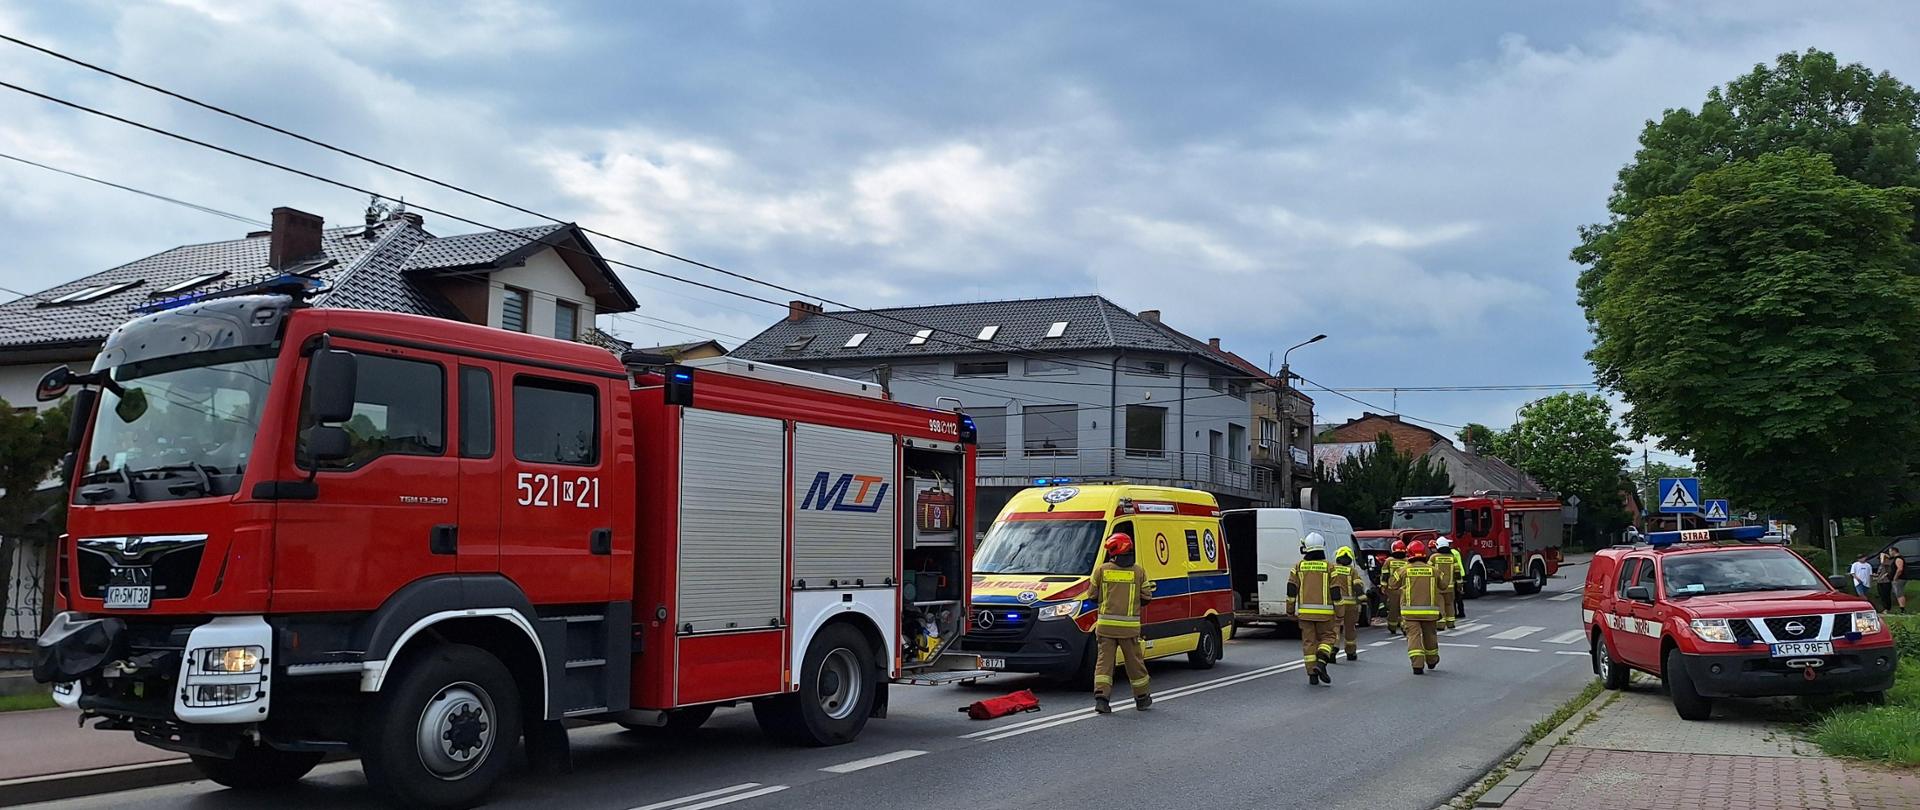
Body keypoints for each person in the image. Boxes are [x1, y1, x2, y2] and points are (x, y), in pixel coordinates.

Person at [1090, 532, 1155, 713]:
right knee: (1135, 664)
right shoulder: (1138, 572)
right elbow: (1147, 597)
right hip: (1129, 630)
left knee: (1104, 664)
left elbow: (1092, 596)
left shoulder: (1101, 570)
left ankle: (1102, 700)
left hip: (1106, 628)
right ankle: (1142, 699)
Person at [1287, 531, 1341, 686]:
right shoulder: (1330, 568)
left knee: (1309, 643)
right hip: (1326, 615)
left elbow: (1291, 590)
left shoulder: (1298, 567)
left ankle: (1312, 675)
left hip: (1305, 615)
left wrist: (1290, 610)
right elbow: (1336, 593)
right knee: (1328, 638)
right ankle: (1322, 662)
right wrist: (1340, 613)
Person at [1390, 540, 1446, 674]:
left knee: (1413, 637)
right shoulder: (1434, 571)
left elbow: (1392, 584)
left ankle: (1417, 665)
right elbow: (1444, 585)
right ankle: (1432, 660)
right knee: (1430, 636)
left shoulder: (1404, 570)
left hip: (1410, 613)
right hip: (1430, 612)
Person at [1332, 546, 1362, 661]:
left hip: (1336, 604)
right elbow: (1358, 586)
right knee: (1350, 628)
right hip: (1350, 605)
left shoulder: (1333, 569)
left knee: (1334, 626)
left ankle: (1333, 649)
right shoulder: (1352, 571)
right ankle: (1351, 652)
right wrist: (1362, 598)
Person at [1432, 537, 1464, 630]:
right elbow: (1457, 573)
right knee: (1449, 605)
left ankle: (1441, 624)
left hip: (1438, 588)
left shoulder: (1434, 557)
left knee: (1440, 605)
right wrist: (1459, 585)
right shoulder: (1452, 558)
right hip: (1450, 587)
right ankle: (1450, 623)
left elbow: (1429, 571)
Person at [1384, 540, 1409, 636]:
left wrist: (1383, 586)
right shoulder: (1407, 561)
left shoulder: (1389, 561)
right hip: (1405, 589)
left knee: (1393, 609)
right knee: (1404, 609)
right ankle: (1404, 626)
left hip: (1392, 589)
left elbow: (1385, 575)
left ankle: (1392, 627)